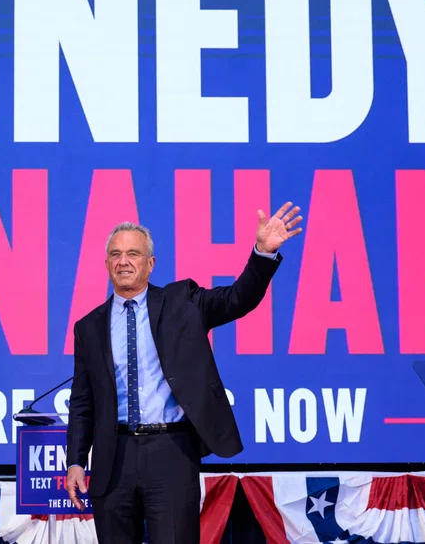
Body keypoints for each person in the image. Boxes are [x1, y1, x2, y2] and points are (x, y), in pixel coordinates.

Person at [65, 203, 303, 543]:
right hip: (112, 457)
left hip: (171, 452)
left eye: (133, 254)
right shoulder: (88, 327)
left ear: (150, 264)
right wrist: (75, 460)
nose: (123, 261)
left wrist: (262, 254)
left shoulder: (182, 302)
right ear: (106, 264)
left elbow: (238, 299)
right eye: (115, 255)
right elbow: (82, 402)